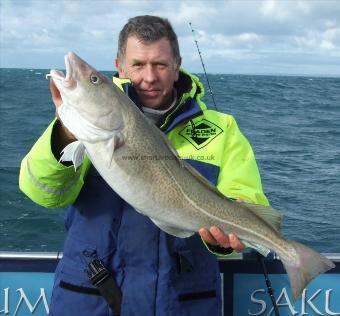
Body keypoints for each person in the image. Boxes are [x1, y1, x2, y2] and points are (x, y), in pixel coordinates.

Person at [19, 15, 269, 316]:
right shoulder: (82, 122)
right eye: (138, 64)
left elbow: (247, 197)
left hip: (183, 301)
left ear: (177, 65)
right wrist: (65, 133)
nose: (149, 77)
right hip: (92, 298)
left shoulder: (222, 128)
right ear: (120, 66)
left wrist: (227, 240)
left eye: (160, 65)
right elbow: (42, 192)